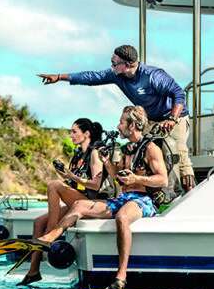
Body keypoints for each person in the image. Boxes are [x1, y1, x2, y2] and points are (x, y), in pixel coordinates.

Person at [36, 106, 165, 289]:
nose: (118, 126)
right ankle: (49, 238)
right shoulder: (126, 149)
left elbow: (163, 179)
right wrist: (107, 162)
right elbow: (117, 178)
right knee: (79, 205)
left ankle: (121, 277)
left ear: (133, 125)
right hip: (123, 197)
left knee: (122, 217)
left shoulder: (151, 148)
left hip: (143, 199)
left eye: (122, 122)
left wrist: (137, 179)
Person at [38, 44, 195, 192]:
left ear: (127, 65)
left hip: (175, 117)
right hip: (151, 120)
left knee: (177, 156)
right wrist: (59, 77)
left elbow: (178, 93)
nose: (111, 66)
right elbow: (92, 77)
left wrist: (172, 119)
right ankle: (156, 198)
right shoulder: (117, 75)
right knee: (145, 154)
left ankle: (189, 197)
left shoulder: (153, 76)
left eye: (114, 63)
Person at [19, 117, 107, 286]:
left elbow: (96, 185)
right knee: (38, 222)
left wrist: (71, 177)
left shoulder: (94, 153)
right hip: (78, 199)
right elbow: (73, 183)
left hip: (92, 202)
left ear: (86, 134)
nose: (71, 135)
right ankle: (33, 271)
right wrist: (65, 175)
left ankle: (50, 235)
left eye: (74, 131)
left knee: (53, 185)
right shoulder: (77, 155)